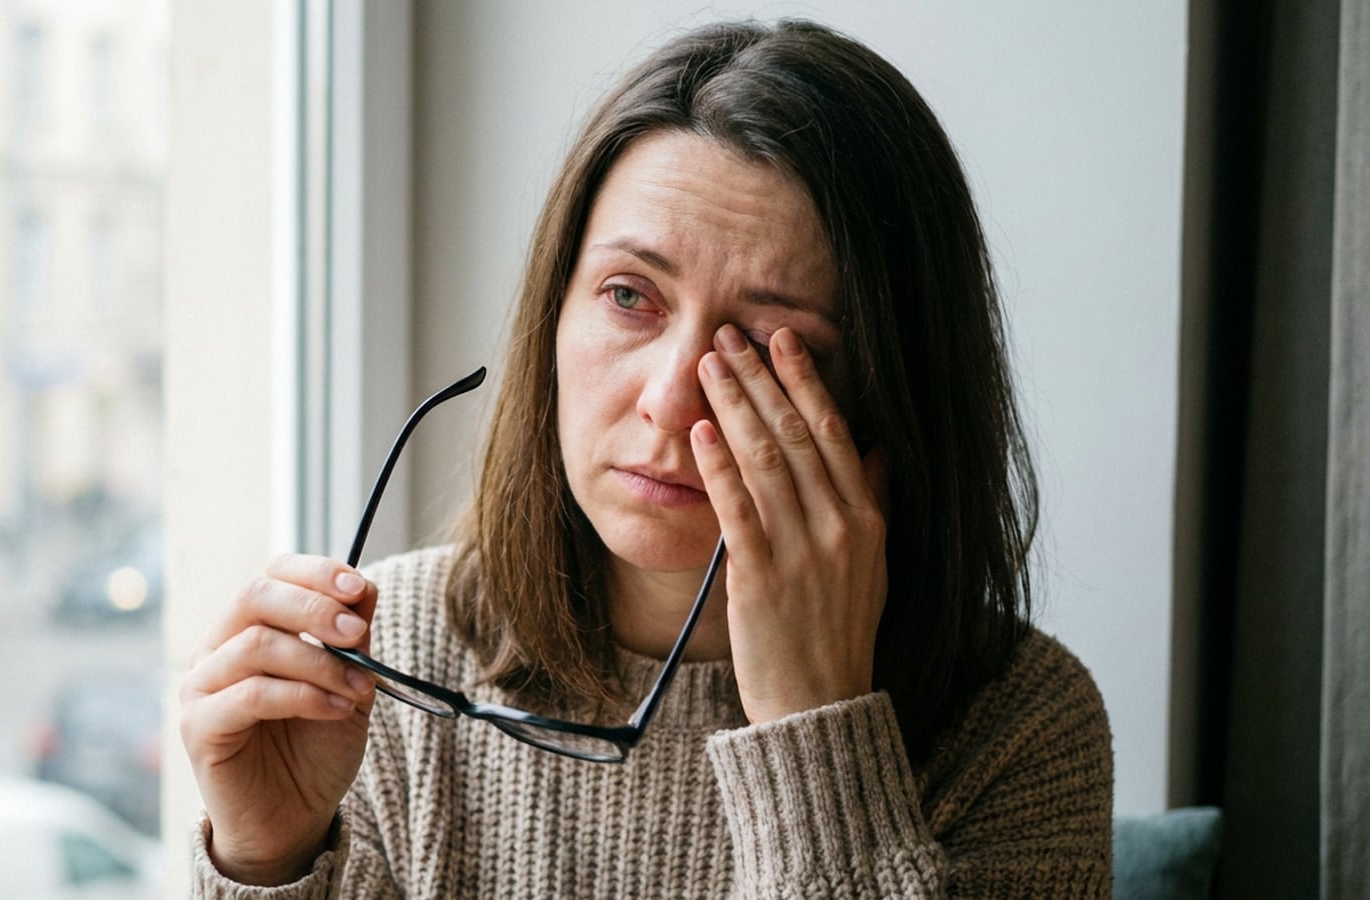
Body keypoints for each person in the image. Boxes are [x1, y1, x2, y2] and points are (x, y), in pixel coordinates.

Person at [180, 18, 1113, 899]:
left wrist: (814, 734)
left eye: (767, 344)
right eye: (630, 297)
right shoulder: (383, 660)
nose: (669, 399)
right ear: (556, 308)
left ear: (884, 401)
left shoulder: (1023, 729)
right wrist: (272, 858)